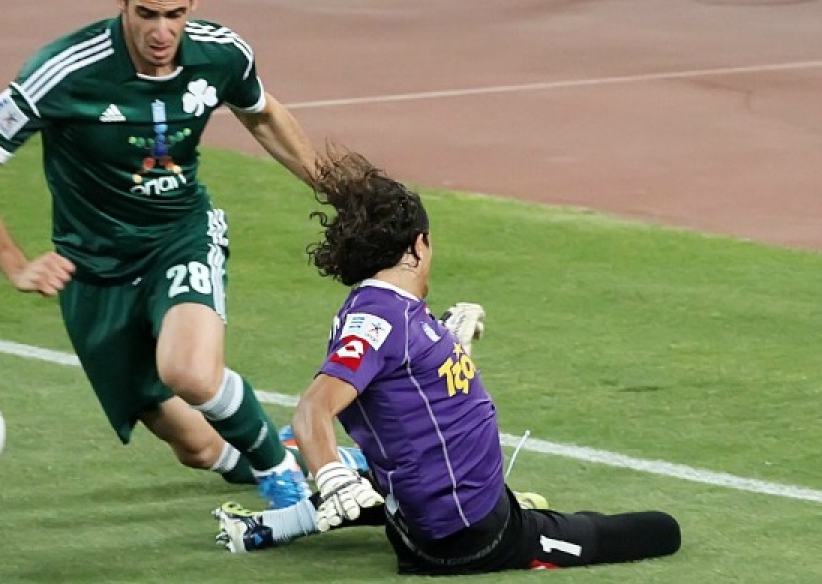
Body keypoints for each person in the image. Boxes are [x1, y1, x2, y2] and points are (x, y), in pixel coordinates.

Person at [0, 0, 365, 508]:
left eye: (174, 15)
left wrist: (332, 189)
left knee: (189, 372)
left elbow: (261, 113)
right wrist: (13, 263)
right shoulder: (65, 70)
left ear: (193, 3)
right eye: (147, 14)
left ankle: (283, 473)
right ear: (121, 2)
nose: (161, 32)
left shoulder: (221, 54)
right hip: (93, 268)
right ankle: (286, 450)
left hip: (178, 235)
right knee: (198, 447)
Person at [212, 146, 682, 574]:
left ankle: (273, 525)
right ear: (417, 246)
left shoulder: (382, 308)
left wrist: (446, 341)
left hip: (427, 510)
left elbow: (402, 387)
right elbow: (313, 408)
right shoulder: (380, 322)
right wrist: (331, 476)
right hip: (471, 537)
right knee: (658, 530)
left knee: (379, 479)